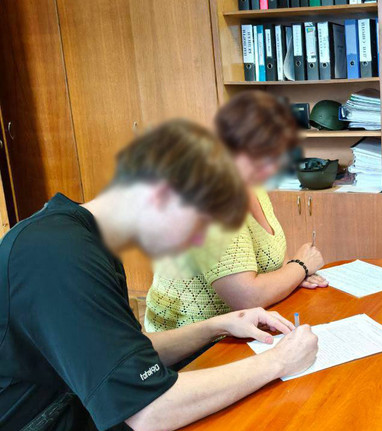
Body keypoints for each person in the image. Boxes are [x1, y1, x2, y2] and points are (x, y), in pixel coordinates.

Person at [0, 119, 318, 431]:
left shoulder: (87, 242)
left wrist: (217, 326)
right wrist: (278, 361)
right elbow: (149, 412)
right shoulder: (56, 253)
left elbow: (124, 356)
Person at [144, 91, 328, 333]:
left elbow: (269, 257)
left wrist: (293, 274)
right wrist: (301, 266)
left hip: (240, 327)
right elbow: (245, 297)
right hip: (191, 342)